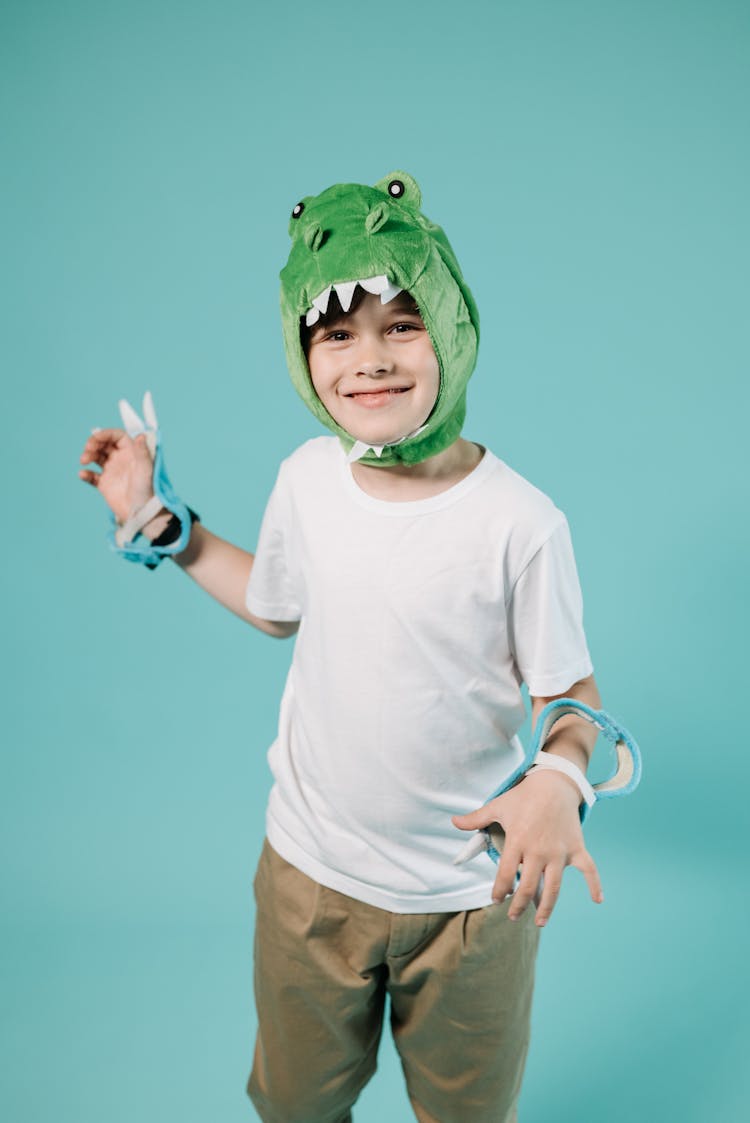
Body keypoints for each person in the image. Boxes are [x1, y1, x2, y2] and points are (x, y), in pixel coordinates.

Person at [79, 171, 607, 1123]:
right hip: (310, 883)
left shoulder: (523, 522)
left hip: (471, 903)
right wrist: (163, 522)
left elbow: (569, 691)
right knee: (295, 1102)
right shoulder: (307, 479)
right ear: (304, 353)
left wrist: (559, 779)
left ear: (450, 329)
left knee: (469, 1112)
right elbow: (276, 604)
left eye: (402, 324)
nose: (370, 359)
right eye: (336, 333)